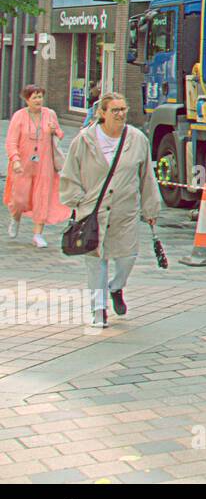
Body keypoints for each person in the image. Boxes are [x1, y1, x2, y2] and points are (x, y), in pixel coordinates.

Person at [59, 92, 162, 327]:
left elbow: (146, 177)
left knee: (127, 257)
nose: (120, 114)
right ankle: (98, 310)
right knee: (96, 260)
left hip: (125, 211)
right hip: (93, 211)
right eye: (115, 110)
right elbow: (69, 174)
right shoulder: (84, 141)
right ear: (102, 113)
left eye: (123, 109)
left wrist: (150, 209)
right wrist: (78, 200)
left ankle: (116, 287)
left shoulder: (137, 140)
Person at [5, 85, 71, 248]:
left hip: (44, 163)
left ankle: (38, 234)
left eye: (40, 96)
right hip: (23, 163)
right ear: (27, 99)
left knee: (42, 197)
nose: (38, 100)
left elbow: (60, 135)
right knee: (19, 198)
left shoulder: (49, 114)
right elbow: (11, 141)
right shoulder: (19, 116)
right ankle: (16, 217)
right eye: (34, 97)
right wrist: (15, 159)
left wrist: (55, 130)